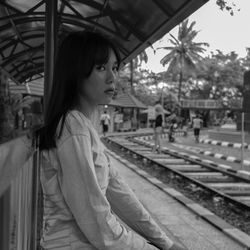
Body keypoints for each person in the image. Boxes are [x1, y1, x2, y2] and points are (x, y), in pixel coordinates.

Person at [36, 31, 185, 250]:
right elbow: (97, 222)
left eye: (114, 68)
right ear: (76, 72)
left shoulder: (84, 126)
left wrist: (166, 243)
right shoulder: (73, 127)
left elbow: (119, 192)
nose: (112, 78)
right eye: (100, 68)